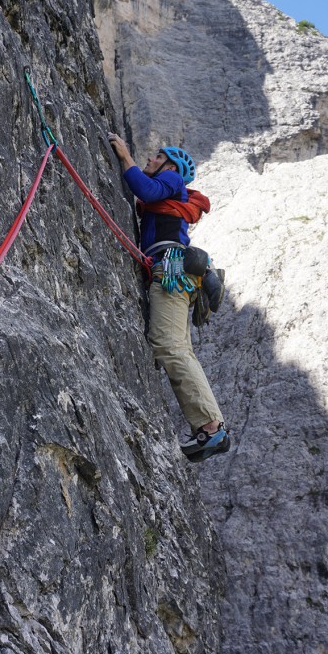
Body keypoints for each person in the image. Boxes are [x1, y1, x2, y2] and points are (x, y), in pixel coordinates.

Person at [108, 133, 230, 462]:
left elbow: (146, 189)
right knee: (176, 345)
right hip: (173, 265)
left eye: (156, 156)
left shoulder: (172, 179)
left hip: (172, 266)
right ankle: (209, 423)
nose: (150, 159)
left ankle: (210, 425)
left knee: (169, 345)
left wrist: (125, 158)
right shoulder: (166, 197)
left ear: (170, 166)